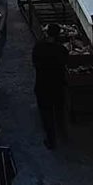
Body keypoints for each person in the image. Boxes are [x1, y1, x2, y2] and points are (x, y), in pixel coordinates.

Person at [33, 22, 69, 150]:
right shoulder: (61, 50)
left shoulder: (38, 47)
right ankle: (62, 133)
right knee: (59, 110)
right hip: (57, 85)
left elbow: (35, 63)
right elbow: (66, 62)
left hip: (42, 84)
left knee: (46, 113)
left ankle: (51, 139)